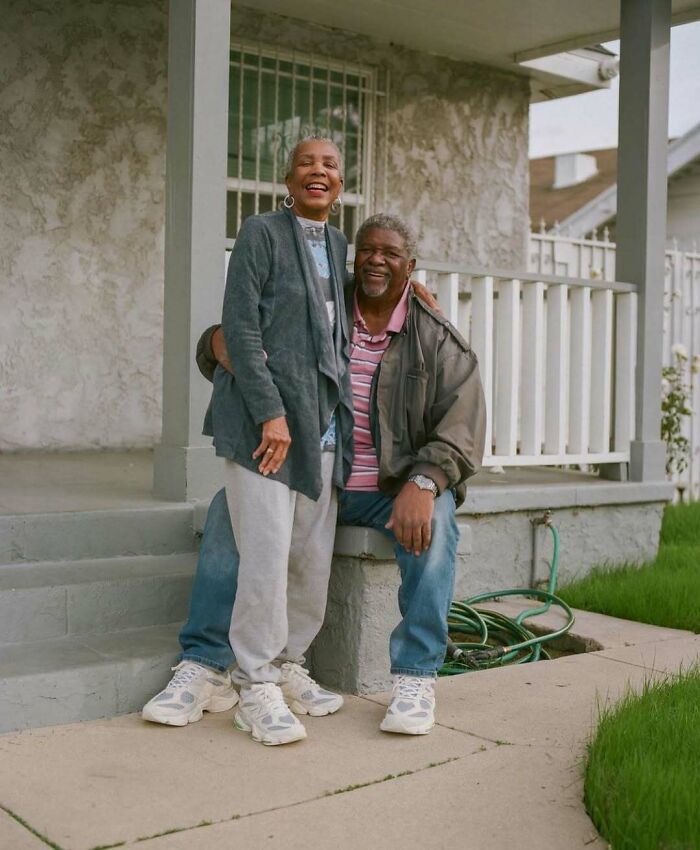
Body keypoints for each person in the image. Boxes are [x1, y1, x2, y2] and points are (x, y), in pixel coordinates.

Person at [143, 212, 486, 737]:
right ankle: (206, 664)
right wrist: (214, 341)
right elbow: (246, 331)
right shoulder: (325, 309)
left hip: (386, 485)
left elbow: (461, 429)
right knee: (225, 515)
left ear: (410, 265)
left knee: (435, 526)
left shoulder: (435, 338)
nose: (376, 260)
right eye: (367, 250)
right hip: (315, 468)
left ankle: (415, 676)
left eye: (391, 254)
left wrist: (425, 481)